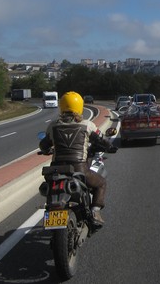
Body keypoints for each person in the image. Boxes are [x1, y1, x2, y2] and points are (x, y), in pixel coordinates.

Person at [39, 91, 117, 228]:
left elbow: (43, 145)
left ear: (61, 107)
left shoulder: (53, 126)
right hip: (79, 169)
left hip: (55, 169)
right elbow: (101, 140)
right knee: (101, 183)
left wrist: (47, 150)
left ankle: (51, 212)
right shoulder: (87, 125)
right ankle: (95, 211)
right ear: (80, 106)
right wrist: (110, 146)